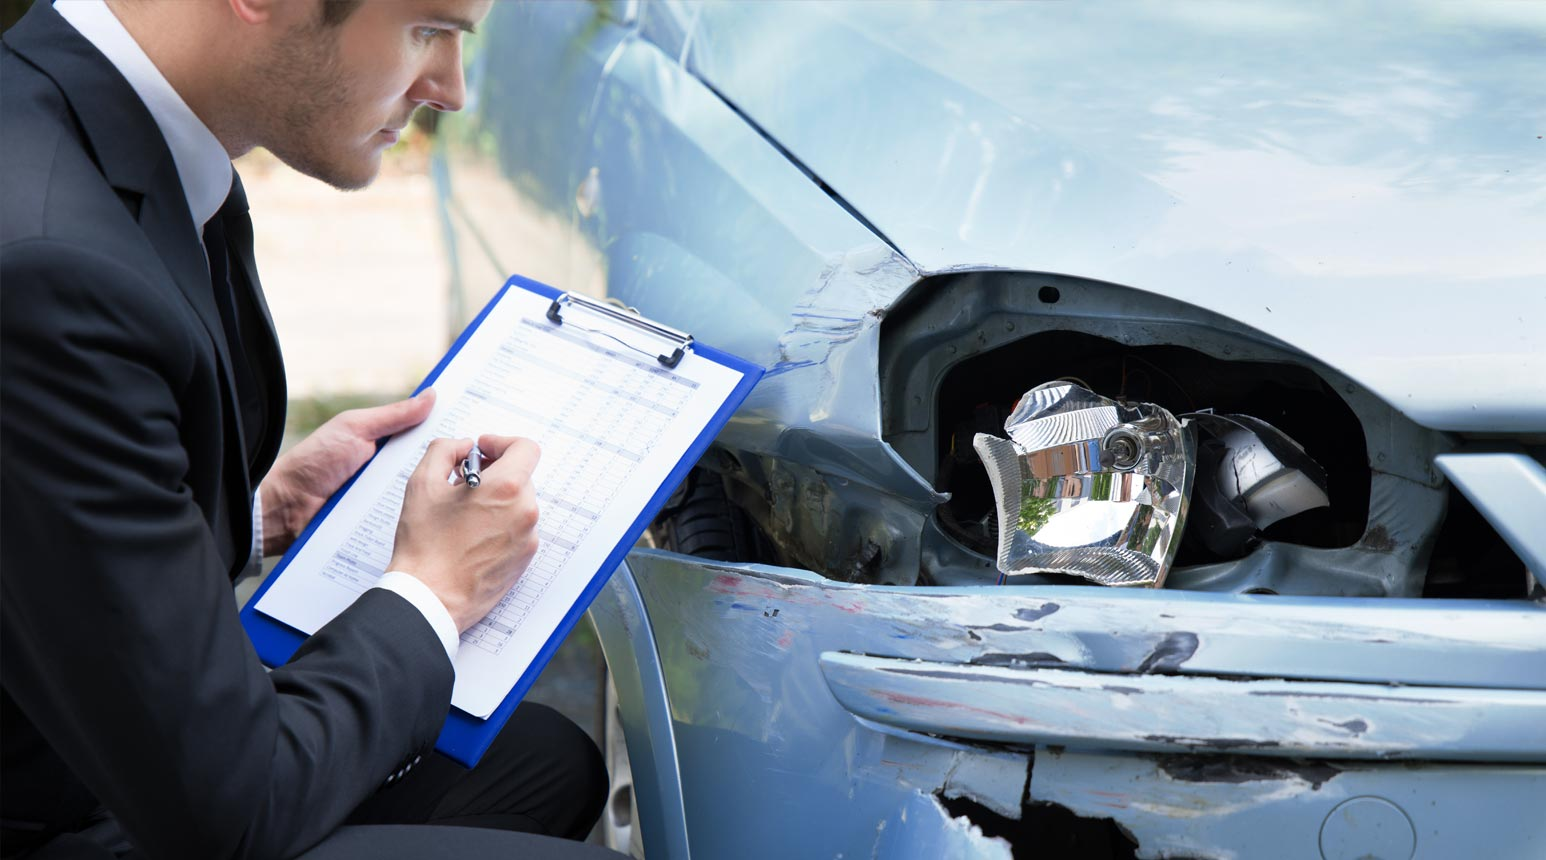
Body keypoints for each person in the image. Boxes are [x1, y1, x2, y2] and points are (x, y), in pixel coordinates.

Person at [0, 1, 615, 857]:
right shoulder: (47, 264)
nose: (451, 90)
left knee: (546, 762)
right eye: (427, 29)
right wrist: (432, 588)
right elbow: (233, 808)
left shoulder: (90, 130)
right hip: (63, 810)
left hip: (77, 750)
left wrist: (263, 512)